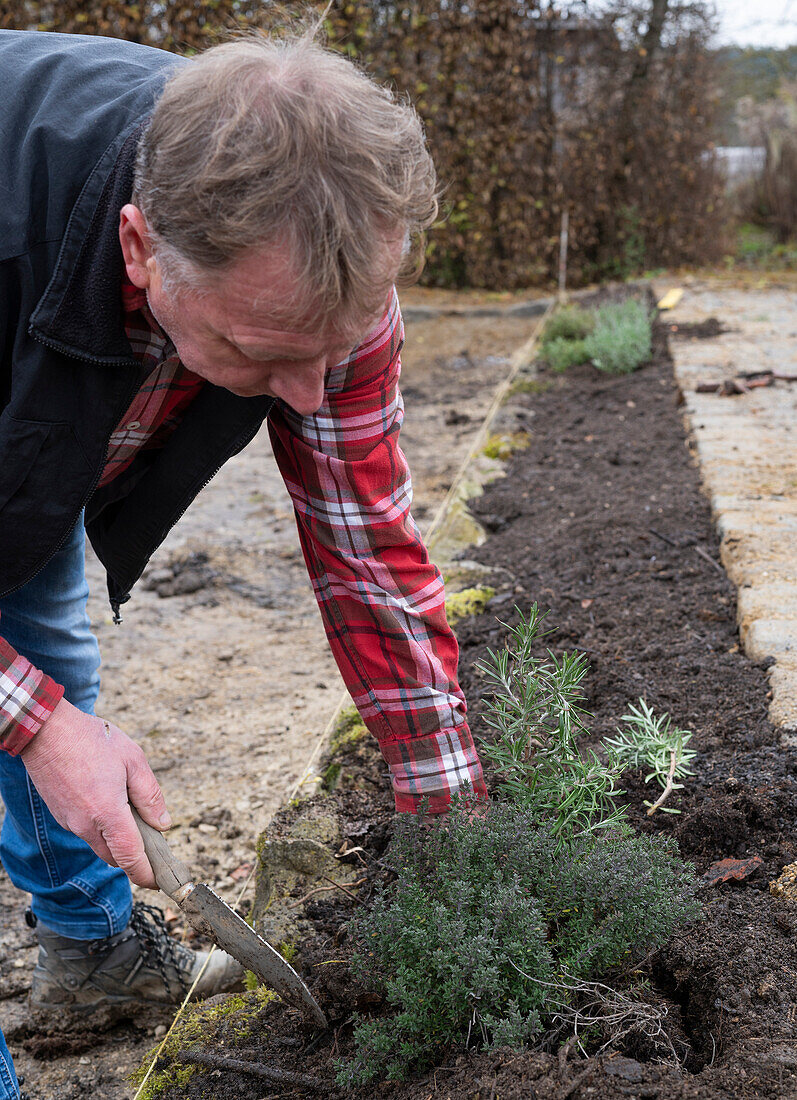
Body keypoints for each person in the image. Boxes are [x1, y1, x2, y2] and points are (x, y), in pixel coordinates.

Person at [0, 24, 487, 1097]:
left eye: (334, 347)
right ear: (141, 248)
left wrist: (446, 818)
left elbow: (367, 551)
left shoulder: (319, 248)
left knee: (38, 627)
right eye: (266, 355)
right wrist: (29, 721)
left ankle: (92, 958)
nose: (310, 393)